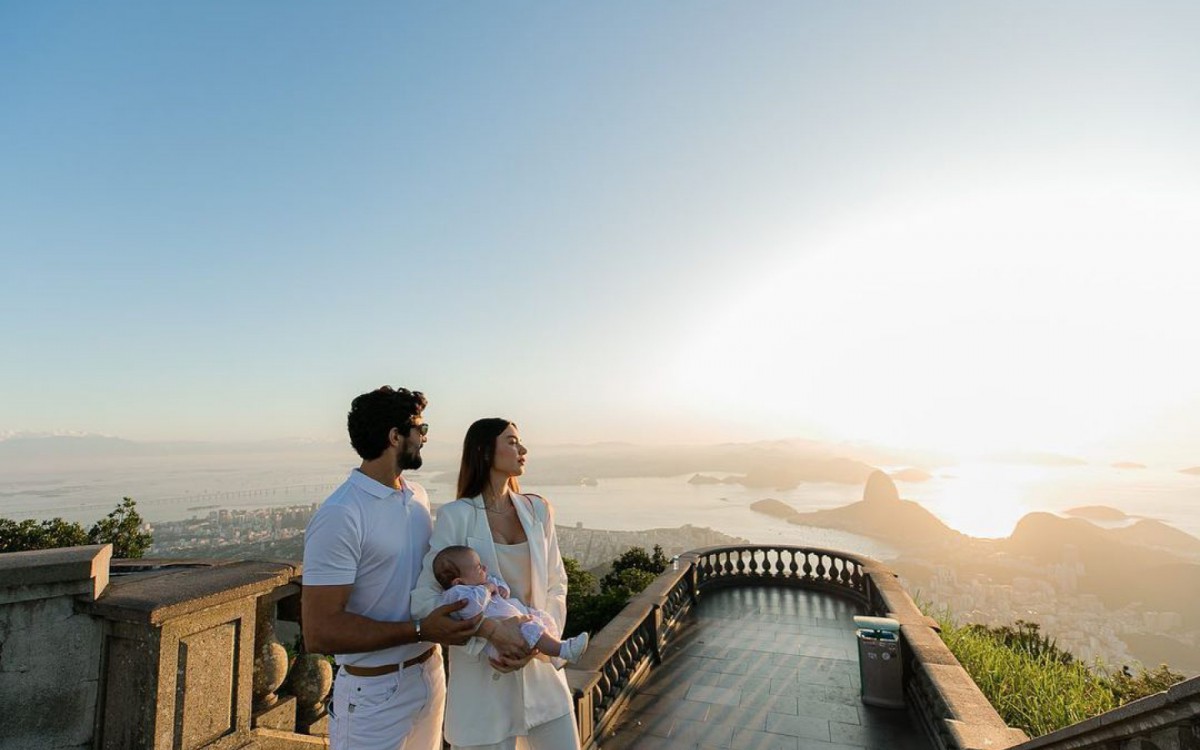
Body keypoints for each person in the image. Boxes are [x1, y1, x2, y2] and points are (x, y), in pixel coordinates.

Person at [302, 387, 530, 750]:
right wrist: (421, 629)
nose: (425, 437)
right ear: (395, 437)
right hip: (373, 694)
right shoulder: (342, 514)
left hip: (430, 673)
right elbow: (320, 631)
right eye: (420, 430)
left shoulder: (417, 497)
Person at [412, 418, 582, 750]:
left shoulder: (538, 511)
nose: (523, 449)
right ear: (484, 450)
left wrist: (536, 643)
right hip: (483, 685)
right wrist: (489, 631)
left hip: (543, 679)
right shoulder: (456, 516)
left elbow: (556, 585)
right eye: (512, 441)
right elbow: (424, 601)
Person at [433, 544, 589, 664]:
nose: (485, 568)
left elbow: (498, 584)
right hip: (504, 632)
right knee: (532, 628)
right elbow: (471, 607)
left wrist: (501, 589)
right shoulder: (456, 593)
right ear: (459, 581)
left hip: (516, 616)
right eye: (479, 567)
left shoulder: (481, 581)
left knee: (541, 617)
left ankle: (556, 648)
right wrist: (487, 589)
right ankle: (562, 650)